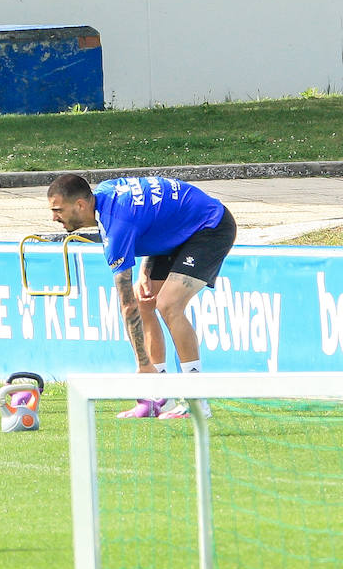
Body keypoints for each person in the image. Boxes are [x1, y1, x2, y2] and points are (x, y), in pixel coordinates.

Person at [46, 173, 237, 418]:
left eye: (58, 210)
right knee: (144, 301)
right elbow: (153, 215)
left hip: (210, 227)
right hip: (179, 228)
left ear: (80, 205)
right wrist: (146, 270)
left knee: (169, 304)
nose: (54, 218)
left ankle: (196, 400)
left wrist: (142, 364)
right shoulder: (105, 194)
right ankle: (158, 397)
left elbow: (125, 305)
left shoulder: (116, 225)